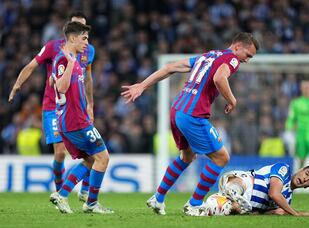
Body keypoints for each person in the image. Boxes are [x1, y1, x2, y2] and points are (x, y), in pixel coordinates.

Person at [122, 32, 259, 216]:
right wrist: (232, 100)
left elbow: (170, 67)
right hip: (192, 115)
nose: (247, 60)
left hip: (177, 110)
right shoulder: (231, 59)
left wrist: (142, 85)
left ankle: (158, 198)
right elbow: (220, 78)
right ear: (237, 47)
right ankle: (194, 204)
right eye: (248, 55)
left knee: (186, 156)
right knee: (221, 157)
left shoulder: (207, 56)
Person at [8, 12, 95, 200]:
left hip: (78, 108)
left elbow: (87, 78)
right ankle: (60, 190)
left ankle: (85, 190)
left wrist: (90, 104)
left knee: (92, 149)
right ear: (70, 30)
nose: (82, 33)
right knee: (60, 153)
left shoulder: (89, 50)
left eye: (84, 29)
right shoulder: (52, 47)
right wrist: (17, 84)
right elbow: (31, 65)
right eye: (77, 27)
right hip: (53, 107)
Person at [48, 21, 112, 214]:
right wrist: (70, 64)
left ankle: (63, 194)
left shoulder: (73, 59)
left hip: (74, 119)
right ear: (73, 38)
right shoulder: (64, 59)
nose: (87, 43)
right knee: (103, 157)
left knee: (91, 159)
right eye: (84, 38)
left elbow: (57, 84)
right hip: (75, 120)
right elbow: (60, 87)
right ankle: (90, 203)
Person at [206, 162, 309, 216]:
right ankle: (234, 190)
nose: (305, 179)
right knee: (243, 183)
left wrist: (275, 212)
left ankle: (209, 207)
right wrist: (296, 213)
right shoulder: (284, 169)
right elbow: (274, 194)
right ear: (301, 169)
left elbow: (261, 213)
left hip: (247, 205)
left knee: (232, 208)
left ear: (307, 186)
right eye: (307, 173)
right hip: (246, 182)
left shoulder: (287, 200)